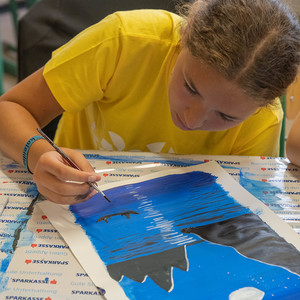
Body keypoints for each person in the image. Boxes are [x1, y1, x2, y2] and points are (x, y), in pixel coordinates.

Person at [0, 0, 299, 205]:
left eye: (226, 116)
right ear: (184, 34)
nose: (192, 120)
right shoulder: (123, 42)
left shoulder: (263, 121)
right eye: (191, 87)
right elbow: (10, 109)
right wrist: (37, 155)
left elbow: (238, 210)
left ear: (262, 106)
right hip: (72, 203)